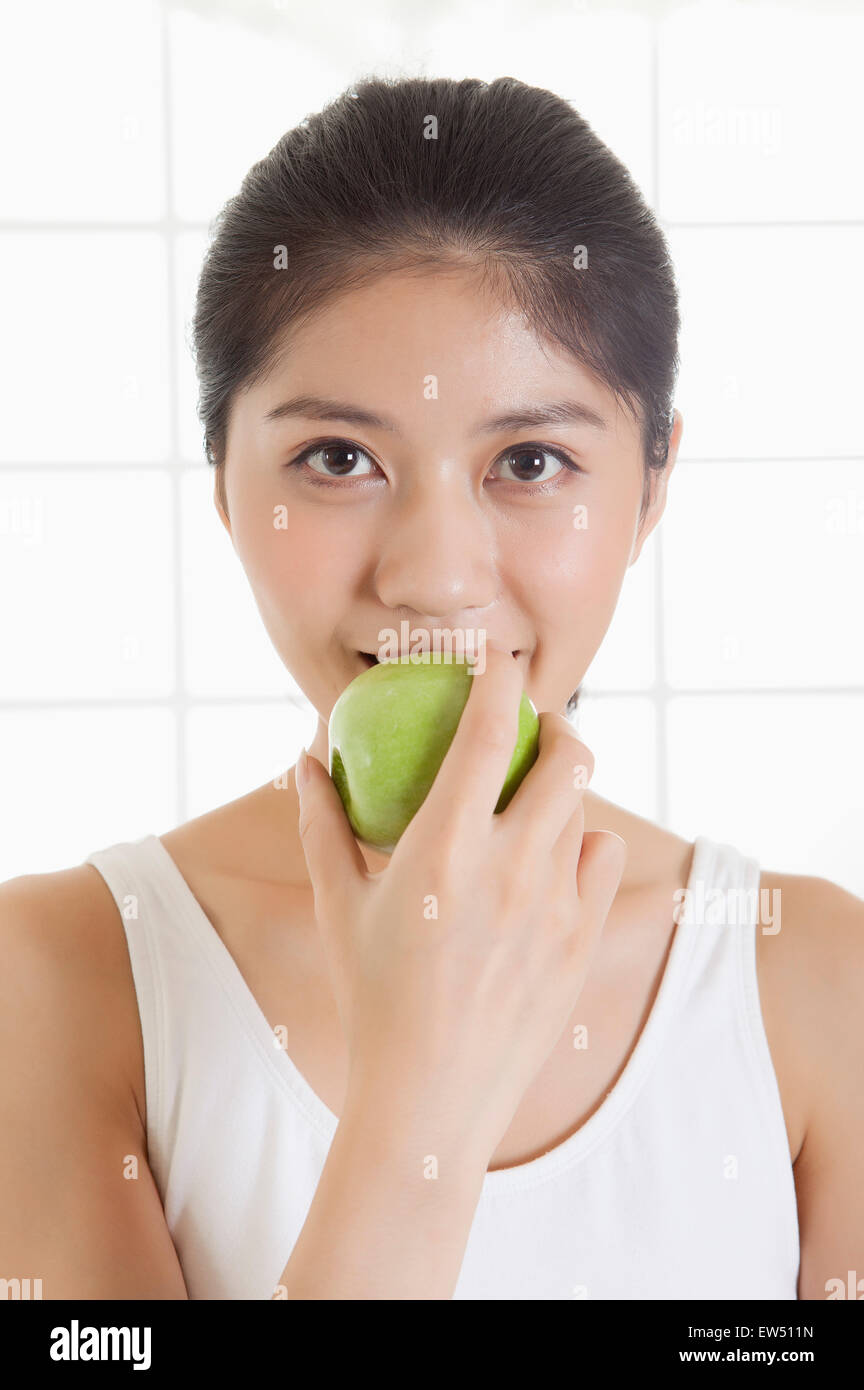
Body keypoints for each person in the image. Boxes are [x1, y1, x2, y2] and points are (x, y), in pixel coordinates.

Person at [1, 76, 861, 1302]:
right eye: (337, 458)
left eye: (530, 460)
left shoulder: (817, 984)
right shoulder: (60, 979)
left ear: (653, 488)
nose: (436, 575)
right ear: (226, 486)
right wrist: (423, 1104)